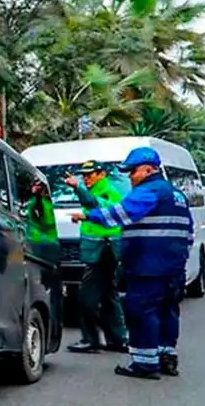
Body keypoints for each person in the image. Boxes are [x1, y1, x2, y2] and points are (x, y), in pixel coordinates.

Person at [71, 147, 192, 379]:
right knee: (168, 311)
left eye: (133, 171)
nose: (130, 176)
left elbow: (120, 214)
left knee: (141, 312)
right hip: (172, 268)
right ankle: (166, 357)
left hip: (147, 267)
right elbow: (187, 233)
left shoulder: (149, 190)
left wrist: (88, 215)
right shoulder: (176, 195)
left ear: (149, 169)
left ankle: (145, 364)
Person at [63, 161, 128, 354]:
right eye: (84, 176)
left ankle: (90, 340)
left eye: (90, 174)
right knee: (109, 297)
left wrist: (77, 187)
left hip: (103, 253)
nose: (86, 178)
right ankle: (117, 340)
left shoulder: (108, 191)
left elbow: (94, 205)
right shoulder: (99, 191)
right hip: (101, 252)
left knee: (87, 298)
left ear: (101, 174)